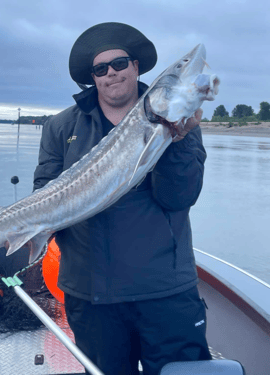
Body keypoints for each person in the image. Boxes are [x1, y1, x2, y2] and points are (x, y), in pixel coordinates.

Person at [33, 22, 211, 375]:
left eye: (119, 63)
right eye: (100, 69)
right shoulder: (61, 126)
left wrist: (176, 143)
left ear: (136, 66)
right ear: (93, 78)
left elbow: (180, 197)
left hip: (165, 290)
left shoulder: (180, 122)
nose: (111, 73)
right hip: (91, 294)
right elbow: (43, 192)